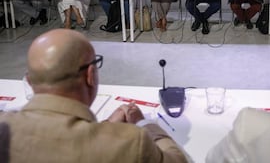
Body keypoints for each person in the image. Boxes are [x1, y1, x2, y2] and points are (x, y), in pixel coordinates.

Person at [0, 29, 187, 163]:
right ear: (90, 75)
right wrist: (144, 124)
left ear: (29, 81)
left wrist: (105, 126)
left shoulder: (4, 128)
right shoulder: (131, 143)